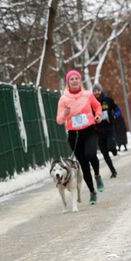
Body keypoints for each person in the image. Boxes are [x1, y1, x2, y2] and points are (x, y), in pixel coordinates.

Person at [57, 70, 103, 204]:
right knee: (83, 164)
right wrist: (65, 114)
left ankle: (98, 175)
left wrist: (98, 116)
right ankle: (92, 192)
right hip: (74, 135)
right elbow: (59, 120)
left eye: (77, 78)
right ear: (68, 82)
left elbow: (98, 106)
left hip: (90, 130)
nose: (75, 81)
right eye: (71, 79)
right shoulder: (64, 99)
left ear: (80, 80)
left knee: (90, 154)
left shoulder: (88, 95)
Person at [91, 83, 118, 178]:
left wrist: (115, 115)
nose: (96, 92)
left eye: (98, 90)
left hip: (109, 128)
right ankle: (113, 170)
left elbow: (117, 109)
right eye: (94, 91)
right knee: (104, 153)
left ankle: (114, 149)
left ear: (101, 90)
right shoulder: (90, 103)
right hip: (98, 131)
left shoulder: (108, 100)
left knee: (111, 147)